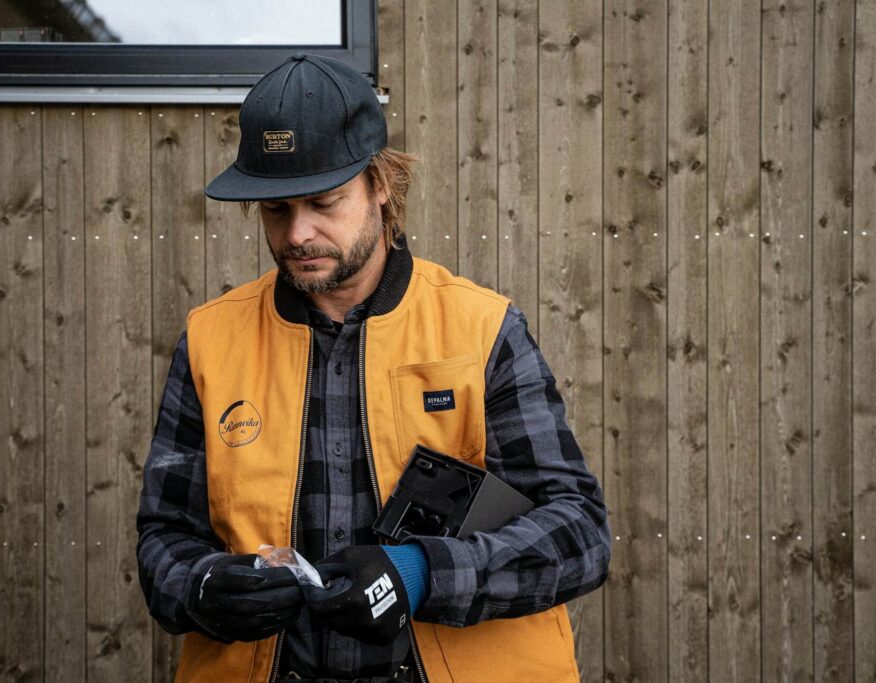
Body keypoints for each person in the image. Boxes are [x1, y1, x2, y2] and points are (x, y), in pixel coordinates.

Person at [137, 53, 611, 683]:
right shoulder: (210, 338)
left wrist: (419, 576)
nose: (298, 232)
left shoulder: (482, 330)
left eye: (323, 201)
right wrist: (200, 587)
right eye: (276, 209)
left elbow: (579, 534)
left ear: (380, 185)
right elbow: (164, 536)